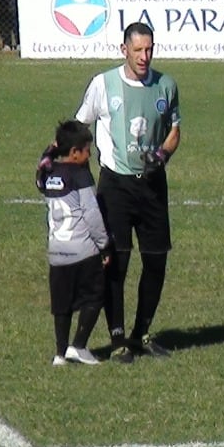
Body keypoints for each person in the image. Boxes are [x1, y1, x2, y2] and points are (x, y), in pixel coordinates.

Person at [74, 22, 181, 364]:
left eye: (149, 50)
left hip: (151, 185)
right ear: (124, 50)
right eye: (137, 50)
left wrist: (162, 155)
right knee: (116, 261)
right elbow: (81, 126)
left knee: (156, 260)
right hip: (115, 184)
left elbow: (175, 131)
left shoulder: (166, 85)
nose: (144, 57)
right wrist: (62, 162)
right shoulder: (103, 84)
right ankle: (117, 337)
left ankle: (142, 333)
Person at [36, 120, 108, 367]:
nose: (90, 154)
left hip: (56, 252)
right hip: (82, 251)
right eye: (87, 149)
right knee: (96, 295)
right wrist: (104, 245)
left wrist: (50, 150)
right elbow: (91, 214)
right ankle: (78, 345)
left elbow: (40, 172)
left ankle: (59, 354)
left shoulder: (48, 173)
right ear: (75, 152)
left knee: (62, 305)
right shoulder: (81, 174)